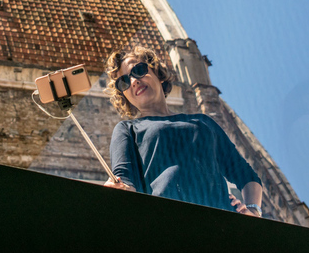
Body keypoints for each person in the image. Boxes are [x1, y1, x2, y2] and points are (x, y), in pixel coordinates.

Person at [103, 45, 263, 217]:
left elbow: (245, 174)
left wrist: (254, 211)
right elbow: (124, 179)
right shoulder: (127, 129)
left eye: (139, 70)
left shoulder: (203, 122)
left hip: (221, 220)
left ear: (159, 75)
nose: (134, 81)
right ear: (124, 96)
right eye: (124, 82)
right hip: (167, 222)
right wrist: (118, 188)